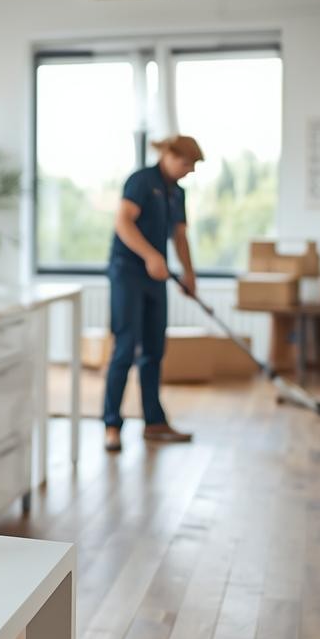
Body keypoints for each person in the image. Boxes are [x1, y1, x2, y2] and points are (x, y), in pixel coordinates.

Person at [102, 134, 204, 452]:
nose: (189, 171)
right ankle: (111, 425)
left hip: (156, 276)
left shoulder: (177, 193)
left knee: (154, 349)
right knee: (125, 347)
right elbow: (123, 223)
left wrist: (188, 272)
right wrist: (149, 255)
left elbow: (180, 236)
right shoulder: (141, 181)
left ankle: (154, 422)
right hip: (128, 273)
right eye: (186, 164)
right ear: (170, 156)